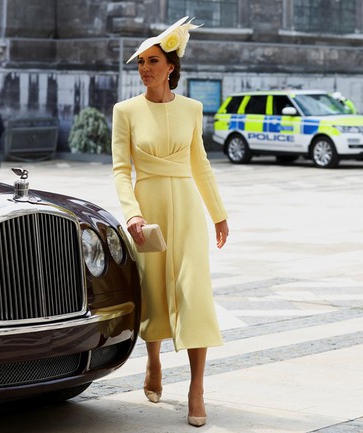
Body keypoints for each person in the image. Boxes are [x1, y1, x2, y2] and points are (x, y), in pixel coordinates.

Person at [111, 17, 229, 428]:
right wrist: (132, 213)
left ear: (171, 67)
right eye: (141, 62)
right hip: (148, 212)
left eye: (153, 61)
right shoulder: (124, 111)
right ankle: (154, 361)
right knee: (154, 292)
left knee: (194, 293)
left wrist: (219, 213)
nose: (145, 68)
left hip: (188, 211)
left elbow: (201, 164)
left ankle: (197, 388)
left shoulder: (192, 110)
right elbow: (120, 170)